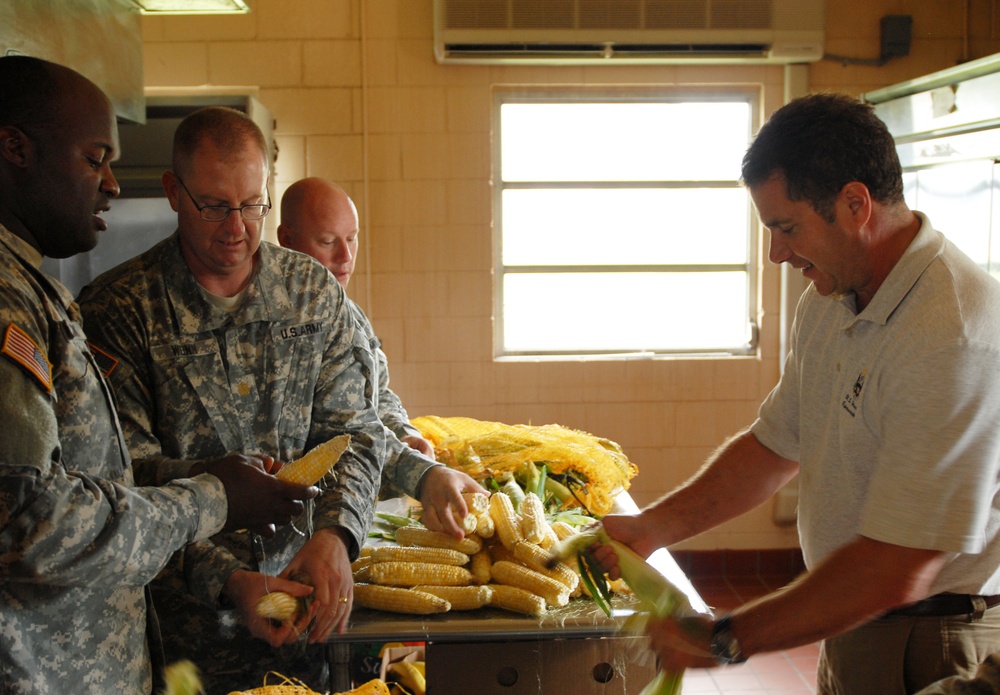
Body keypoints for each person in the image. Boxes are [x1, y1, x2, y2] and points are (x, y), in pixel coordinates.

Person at [595, 93, 1000, 694]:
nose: (776, 253)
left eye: (787, 229)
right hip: (850, 620)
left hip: (931, 639)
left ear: (855, 203)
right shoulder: (830, 299)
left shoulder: (953, 334)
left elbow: (899, 568)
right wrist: (654, 527)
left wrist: (726, 636)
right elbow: (775, 446)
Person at [0, 56, 317, 695]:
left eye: (251, 205)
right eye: (94, 158)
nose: (113, 184)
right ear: (15, 150)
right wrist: (215, 498)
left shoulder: (34, 290)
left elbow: (97, 476)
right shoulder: (26, 303)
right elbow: (30, 521)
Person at [77, 108, 388, 693]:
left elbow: (356, 432)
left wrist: (336, 535)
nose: (237, 227)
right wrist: (228, 579)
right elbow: (123, 483)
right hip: (179, 638)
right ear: (174, 192)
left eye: (252, 205)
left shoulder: (310, 293)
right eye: (215, 204)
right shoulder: (120, 310)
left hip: (307, 620)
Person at [277, 177, 485, 529]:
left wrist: (404, 434)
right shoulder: (283, 325)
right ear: (286, 240)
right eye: (328, 242)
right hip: (307, 522)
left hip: (356, 510)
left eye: (352, 238)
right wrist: (418, 473)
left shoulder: (349, 313)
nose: (345, 256)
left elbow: (378, 393)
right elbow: (343, 427)